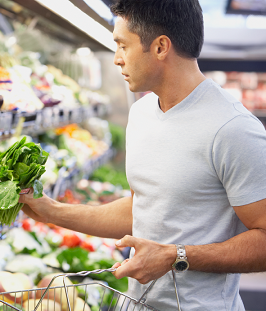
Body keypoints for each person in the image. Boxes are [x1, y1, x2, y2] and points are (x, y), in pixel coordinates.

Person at [19, 0, 266, 310]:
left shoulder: (233, 128)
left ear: (161, 46)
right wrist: (52, 211)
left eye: (123, 45)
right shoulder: (141, 113)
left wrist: (176, 256)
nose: (116, 60)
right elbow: (143, 210)